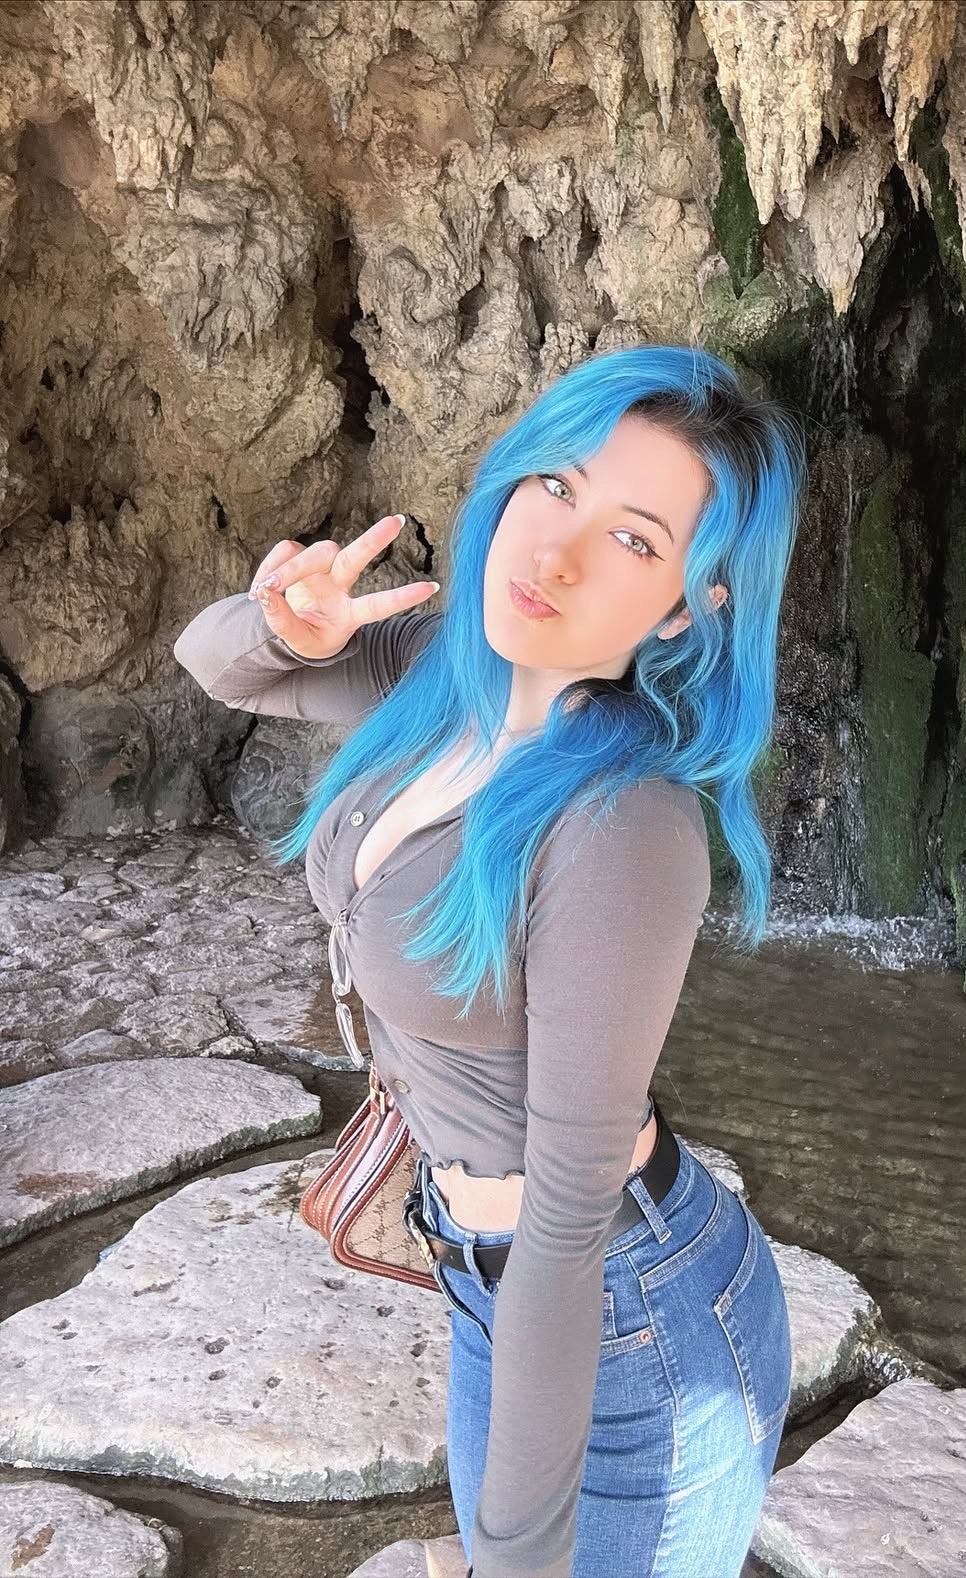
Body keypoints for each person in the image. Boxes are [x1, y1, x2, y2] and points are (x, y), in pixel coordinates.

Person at [173, 342, 807, 1578]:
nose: (557, 552)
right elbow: (216, 665)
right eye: (556, 484)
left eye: (634, 539)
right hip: (487, 1284)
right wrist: (285, 622)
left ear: (687, 605)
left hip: (629, 1315)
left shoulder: (623, 824)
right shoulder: (440, 678)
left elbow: (571, 1213)